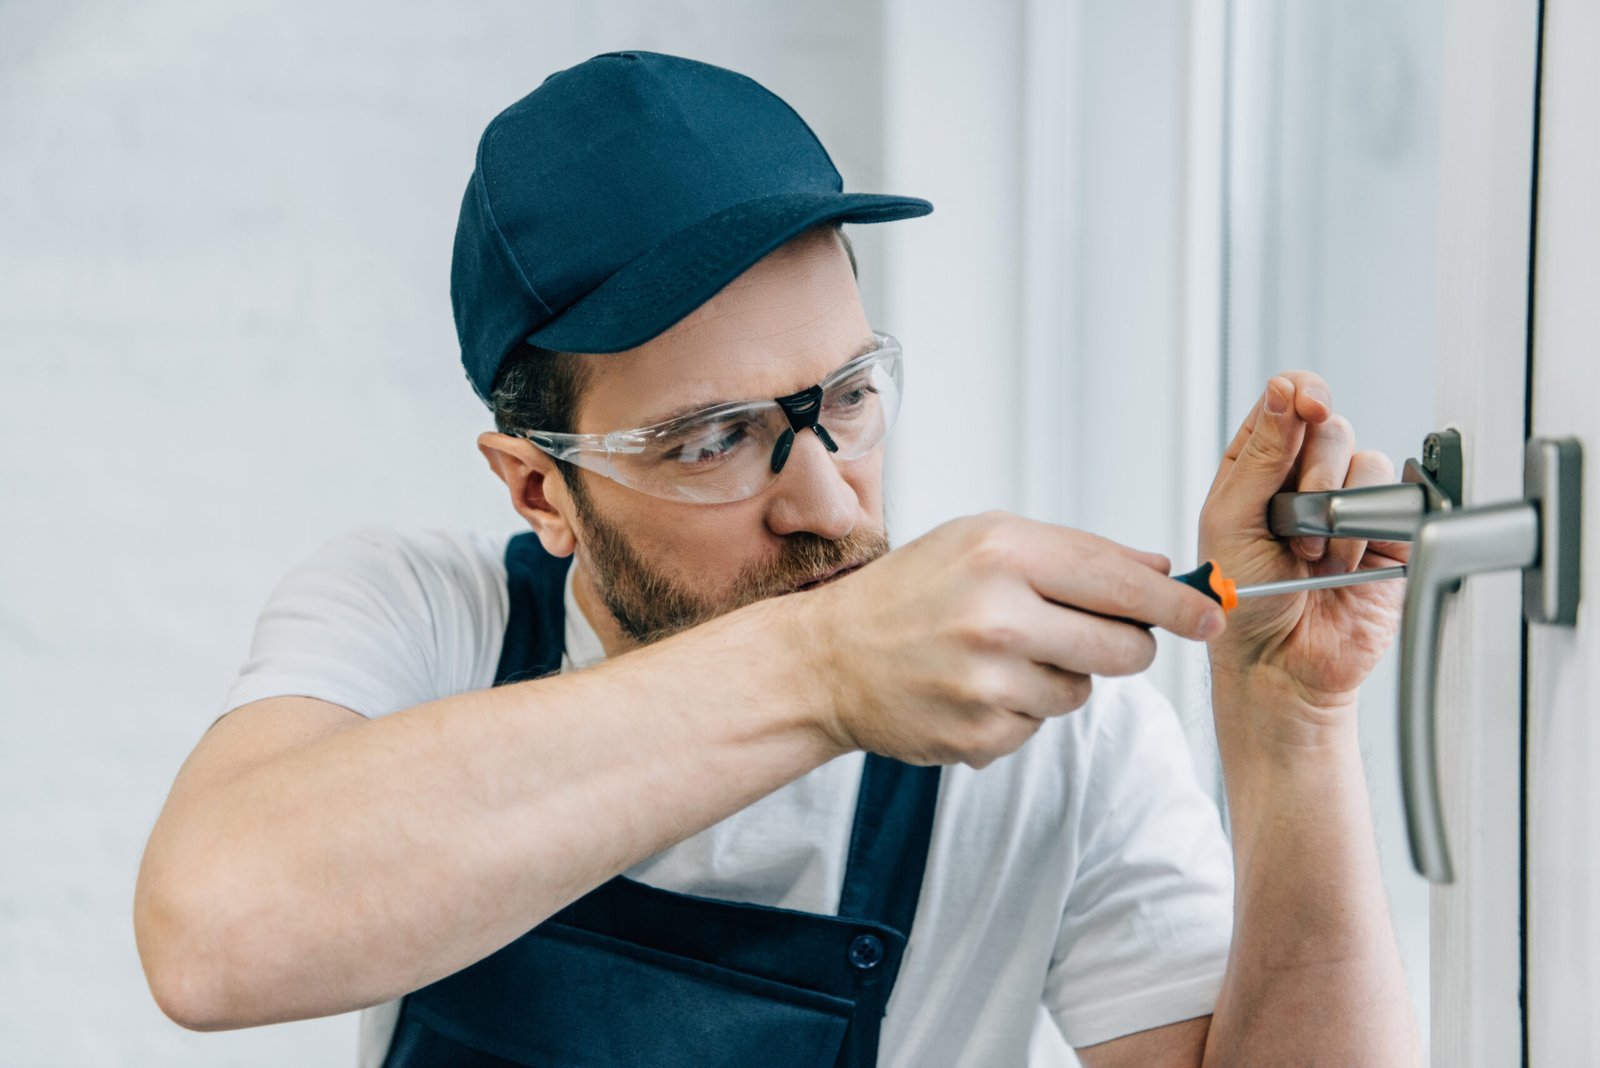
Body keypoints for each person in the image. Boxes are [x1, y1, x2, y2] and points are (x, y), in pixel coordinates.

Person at [133, 51, 1419, 1067]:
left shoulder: (1058, 752)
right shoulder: (424, 621)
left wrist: (1289, 730)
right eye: (711, 440)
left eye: (846, 397)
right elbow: (212, 939)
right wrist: (826, 668)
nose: (822, 498)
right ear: (540, 488)